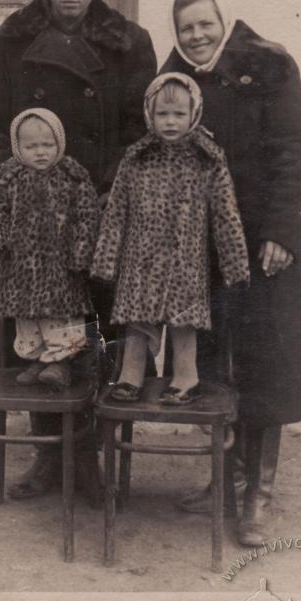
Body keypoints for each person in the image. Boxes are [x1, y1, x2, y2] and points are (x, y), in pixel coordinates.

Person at [0, 0, 157, 498]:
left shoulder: (128, 42)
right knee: (35, 337)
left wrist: (104, 208)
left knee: (94, 335)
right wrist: (9, 202)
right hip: (28, 231)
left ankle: (89, 460)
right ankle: (47, 457)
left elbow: (138, 136)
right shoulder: (9, 41)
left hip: (98, 219)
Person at [160, 0, 301, 546]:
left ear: (222, 20)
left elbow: (296, 150)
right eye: (186, 28)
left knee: (265, 367)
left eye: (205, 23)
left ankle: (256, 497)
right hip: (203, 250)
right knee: (214, 364)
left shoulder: (268, 63)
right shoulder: (174, 81)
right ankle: (223, 482)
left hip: (265, 246)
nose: (198, 35)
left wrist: (283, 230)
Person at [91, 72, 249, 405]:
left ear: (194, 113)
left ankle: (185, 378)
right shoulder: (136, 159)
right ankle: (130, 376)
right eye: (163, 114)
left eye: (179, 114)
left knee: (184, 323)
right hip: (140, 262)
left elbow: (225, 215)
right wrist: (106, 262)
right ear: (150, 114)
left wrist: (235, 265)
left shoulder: (208, 159)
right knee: (137, 322)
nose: (171, 122)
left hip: (185, 263)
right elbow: (116, 212)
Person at [0, 108, 100, 391]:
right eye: (31, 146)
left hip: (61, 268)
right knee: (28, 320)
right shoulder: (9, 179)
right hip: (21, 267)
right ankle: (37, 359)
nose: (41, 152)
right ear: (17, 148)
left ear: (60, 143)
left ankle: (60, 361)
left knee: (60, 316)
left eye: (48, 145)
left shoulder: (72, 178)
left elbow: (87, 215)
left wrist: (81, 251)